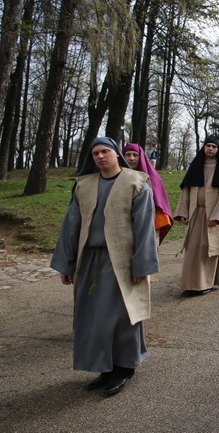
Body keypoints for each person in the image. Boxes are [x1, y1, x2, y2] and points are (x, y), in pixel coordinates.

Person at [50, 137, 159, 396]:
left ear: (116, 154)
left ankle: (124, 368)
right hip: (90, 260)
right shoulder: (83, 186)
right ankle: (106, 368)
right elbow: (71, 226)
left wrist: (141, 265)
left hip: (121, 262)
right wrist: (66, 263)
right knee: (93, 317)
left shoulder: (136, 183)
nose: (100, 156)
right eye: (96, 152)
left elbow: (144, 227)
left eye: (105, 151)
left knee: (123, 317)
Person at [175, 137, 219, 296]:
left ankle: (205, 283)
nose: (211, 149)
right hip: (194, 213)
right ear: (204, 148)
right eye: (208, 146)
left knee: (208, 248)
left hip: (211, 217)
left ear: (218, 150)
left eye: (214, 146)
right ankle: (190, 284)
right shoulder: (196, 165)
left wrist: (217, 216)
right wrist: (183, 212)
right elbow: (186, 190)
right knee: (192, 249)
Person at [123, 143, 173, 245]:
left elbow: (159, 208)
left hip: (146, 228)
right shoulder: (117, 177)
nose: (131, 158)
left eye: (135, 155)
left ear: (140, 156)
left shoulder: (154, 179)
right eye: (128, 155)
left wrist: (156, 235)